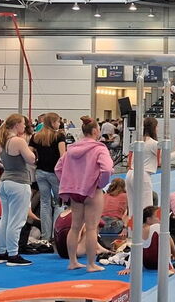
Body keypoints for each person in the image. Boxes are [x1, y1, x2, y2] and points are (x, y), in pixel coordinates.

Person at [55, 116, 114, 272]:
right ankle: (91, 264)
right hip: (92, 191)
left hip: (75, 191)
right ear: (95, 131)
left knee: (75, 227)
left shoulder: (71, 149)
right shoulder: (99, 148)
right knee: (91, 228)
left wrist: (68, 183)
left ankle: (72, 261)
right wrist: (101, 183)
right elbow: (107, 169)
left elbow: (58, 168)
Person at [0, 114, 37, 267]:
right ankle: (13, 254)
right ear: (17, 124)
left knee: (5, 218)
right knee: (17, 220)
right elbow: (31, 159)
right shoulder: (19, 141)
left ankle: (1, 252)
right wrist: (30, 150)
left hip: (4, 181)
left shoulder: (1, 141)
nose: (25, 127)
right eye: (23, 124)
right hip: (18, 182)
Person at [29, 112, 66, 241]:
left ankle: (45, 235)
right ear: (52, 122)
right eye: (57, 121)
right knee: (58, 204)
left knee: (45, 204)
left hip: (40, 172)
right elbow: (63, 156)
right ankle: (56, 234)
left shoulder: (36, 136)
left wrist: (37, 160)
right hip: (55, 173)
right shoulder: (59, 136)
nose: (59, 123)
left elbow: (30, 154)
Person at [118, 206, 175, 275]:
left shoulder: (137, 230)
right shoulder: (157, 227)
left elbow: (134, 251)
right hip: (161, 265)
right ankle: (173, 258)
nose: (161, 219)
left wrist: (129, 268)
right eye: (158, 217)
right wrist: (170, 266)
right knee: (167, 236)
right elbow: (165, 247)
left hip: (147, 265)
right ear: (148, 219)